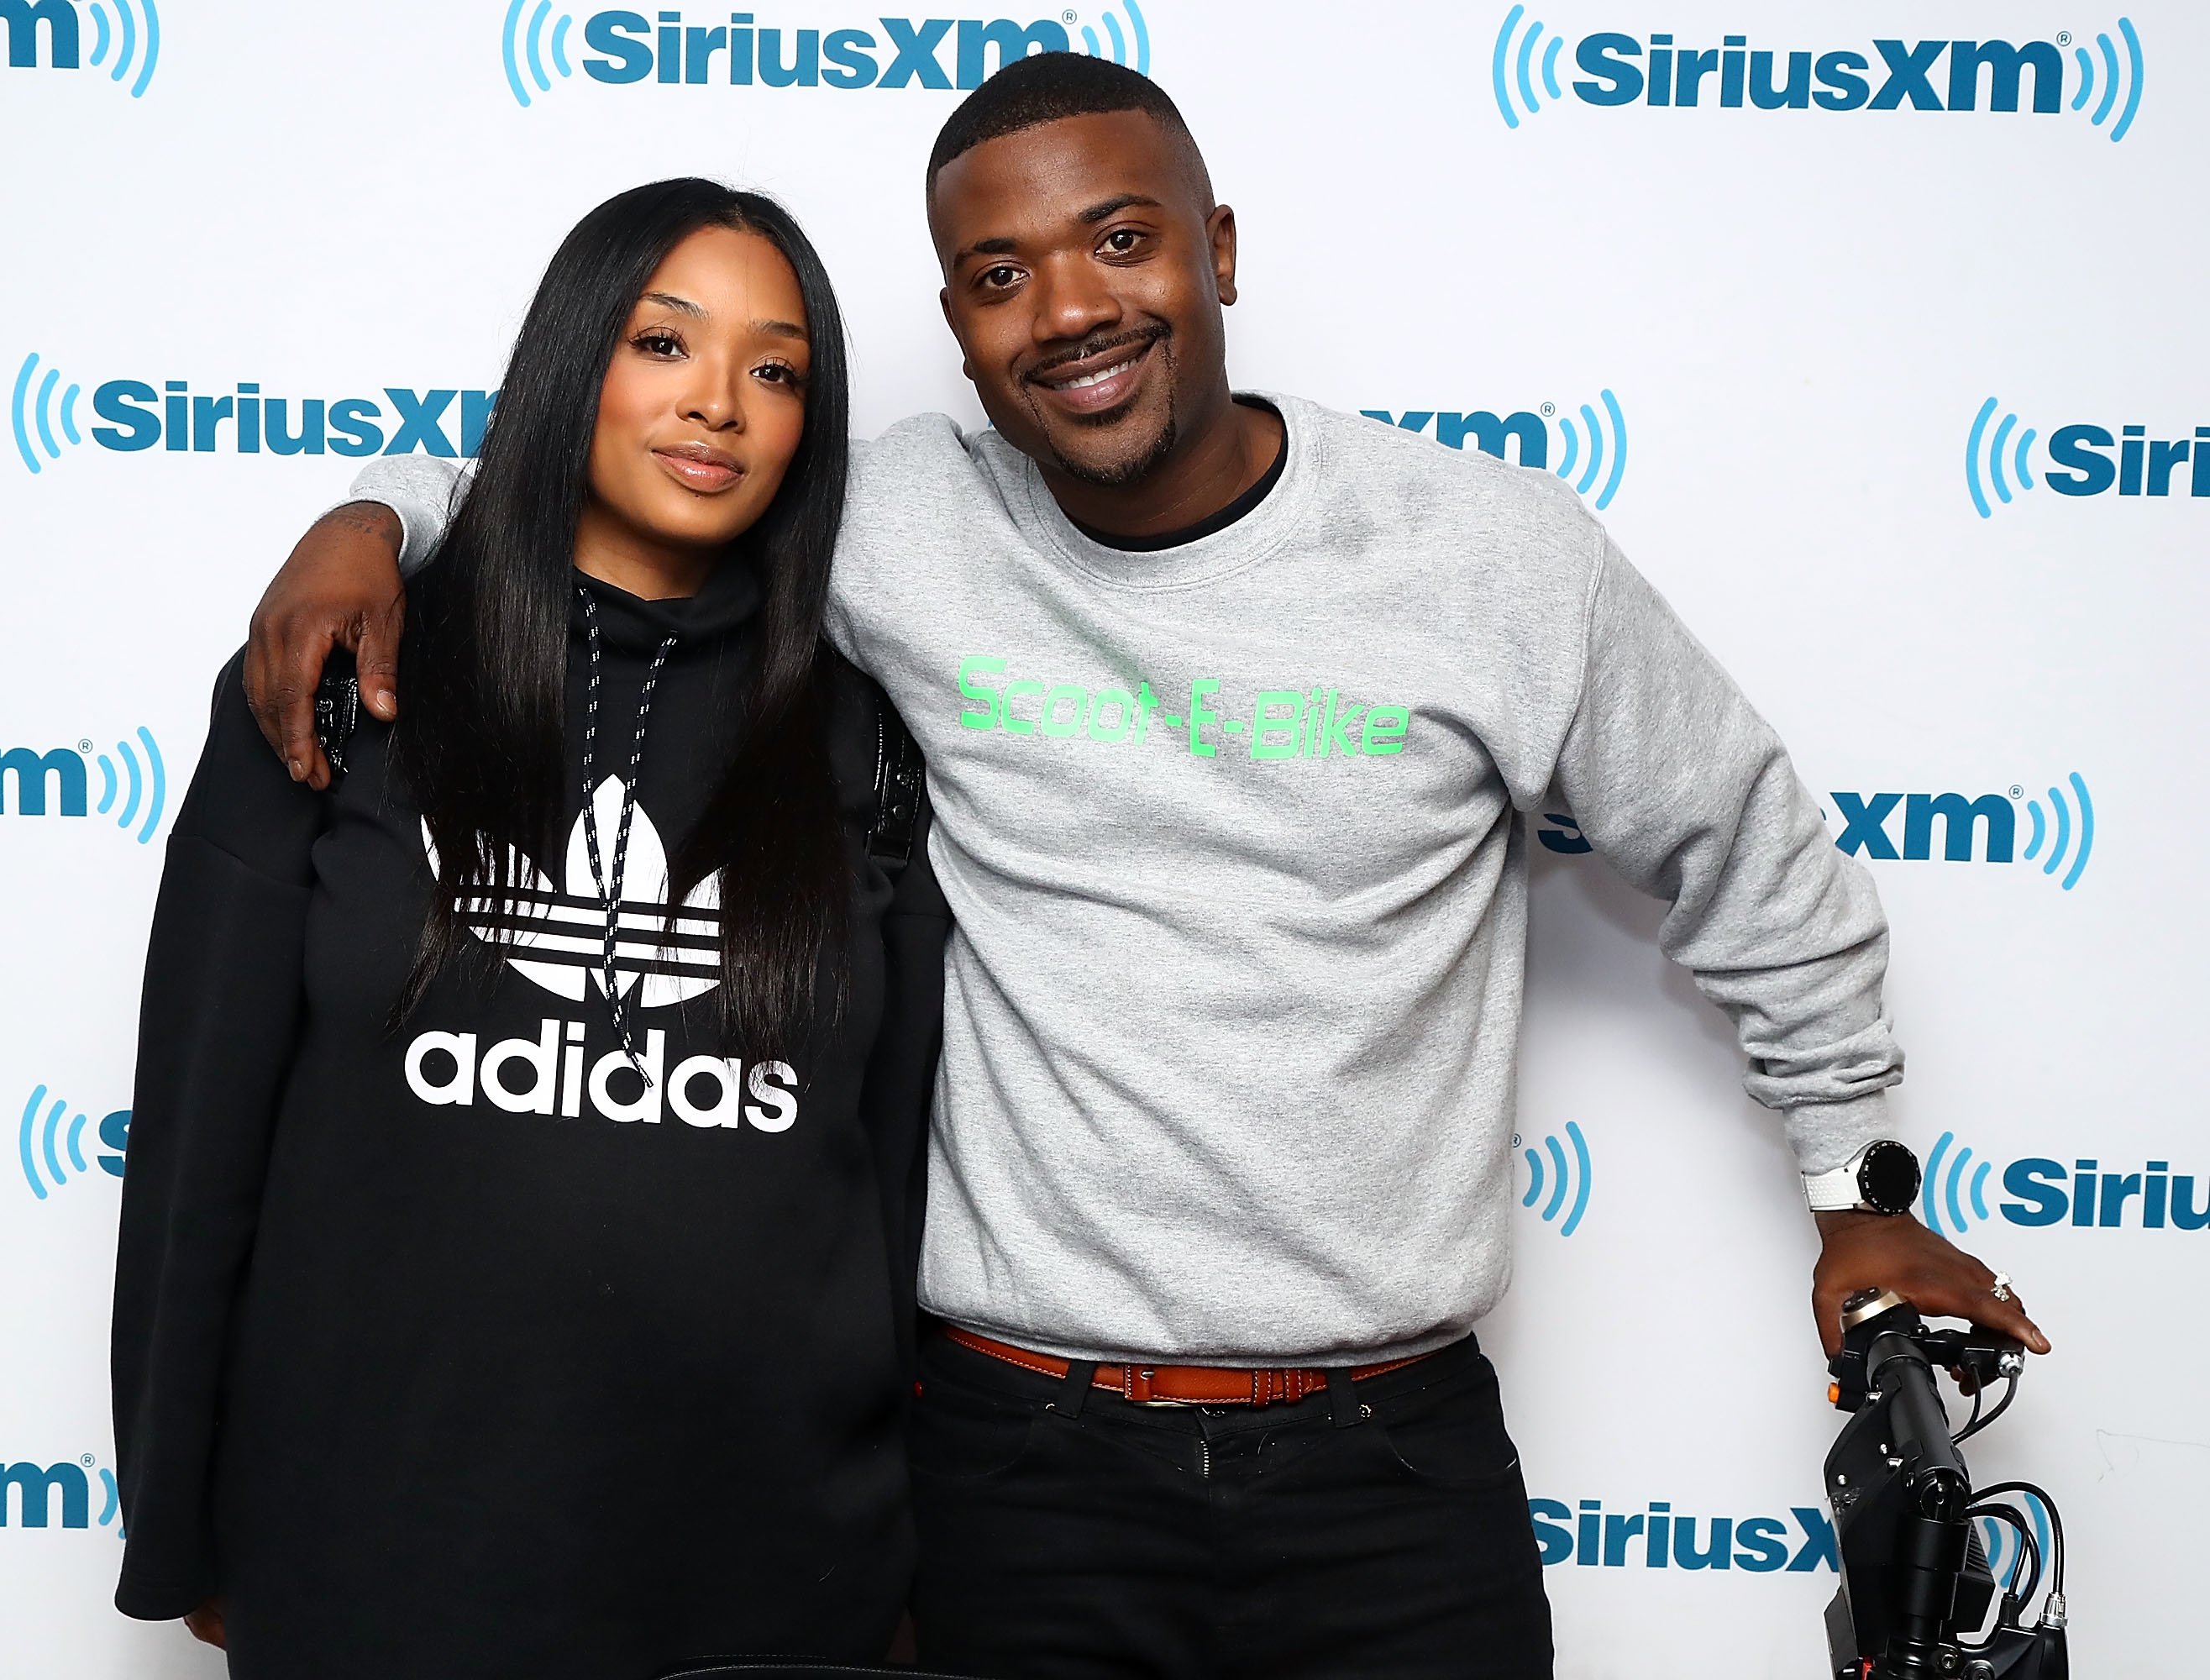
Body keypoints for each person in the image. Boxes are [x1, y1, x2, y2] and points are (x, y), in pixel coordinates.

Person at [237, 57, 2048, 1680]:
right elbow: (620, 478)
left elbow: (1751, 845)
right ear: (953, 325)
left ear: (1221, 250)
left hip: (1391, 1466)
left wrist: (1860, 1189)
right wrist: (378, 517)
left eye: (1120, 241)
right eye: (1000, 277)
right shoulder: (896, 522)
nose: (1070, 311)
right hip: (1018, 1463)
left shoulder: (1487, 556)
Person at [109, 178, 949, 1679]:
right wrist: (179, 1517)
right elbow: (196, 1146)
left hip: (770, 1575)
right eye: (663, 344)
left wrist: (911, 1558)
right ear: (574, 359)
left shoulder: (871, 737)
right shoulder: (345, 676)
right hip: (373, 1548)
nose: (718, 408)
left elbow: (889, 1188)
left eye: (776, 371)